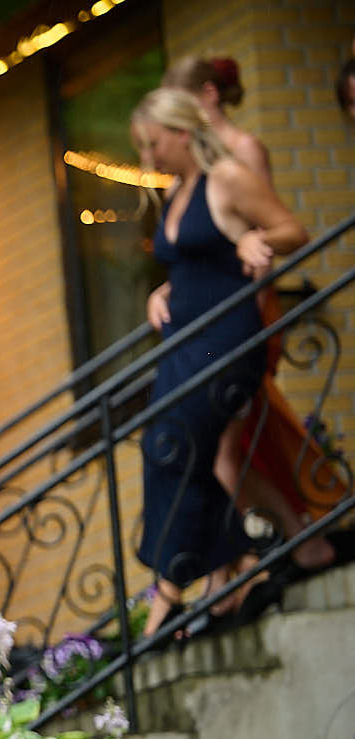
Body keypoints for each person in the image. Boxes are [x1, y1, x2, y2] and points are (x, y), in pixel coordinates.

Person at [130, 87, 309, 639]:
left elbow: (293, 230)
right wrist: (162, 292)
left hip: (224, 340)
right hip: (184, 339)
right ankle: (250, 559)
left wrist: (259, 239)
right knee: (177, 450)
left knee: (174, 446)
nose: (148, 157)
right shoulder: (176, 191)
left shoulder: (227, 177)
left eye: (154, 143)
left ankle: (171, 594)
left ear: (182, 133)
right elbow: (193, 265)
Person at [158, 57, 336, 578]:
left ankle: (238, 568)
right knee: (226, 445)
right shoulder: (181, 181)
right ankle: (267, 552)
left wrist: (251, 316)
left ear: (208, 96)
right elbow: (201, 254)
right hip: (203, 326)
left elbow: (263, 234)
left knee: (229, 445)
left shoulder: (242, 153)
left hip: (244, 314)